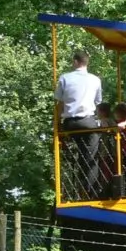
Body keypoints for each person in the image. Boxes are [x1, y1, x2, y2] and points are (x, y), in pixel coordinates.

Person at [54, 50, 103, 198]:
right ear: (87, 62)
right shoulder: (95, 80)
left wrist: (57, 125)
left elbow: (59, 104)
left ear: (75, 62)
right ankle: (90, 192)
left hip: (69, 123)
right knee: (91, 157)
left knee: (73, 155)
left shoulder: (65, 78)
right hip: (87, 122)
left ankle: (69, 188)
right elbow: (98, 101)